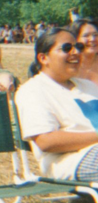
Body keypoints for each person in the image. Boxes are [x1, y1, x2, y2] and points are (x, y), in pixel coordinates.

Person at [15, 28, 98, 181]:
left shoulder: (89, 87)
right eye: (67, 48)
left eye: (78, 47)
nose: (76, 52)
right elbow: (46, 141)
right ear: (43, 58)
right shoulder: (33, 91)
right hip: (70, 161)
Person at [70, 19, 98, 85]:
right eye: (86, 35)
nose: (92, 39)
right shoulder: (68, 67)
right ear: (75, 39)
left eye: (95, 35)